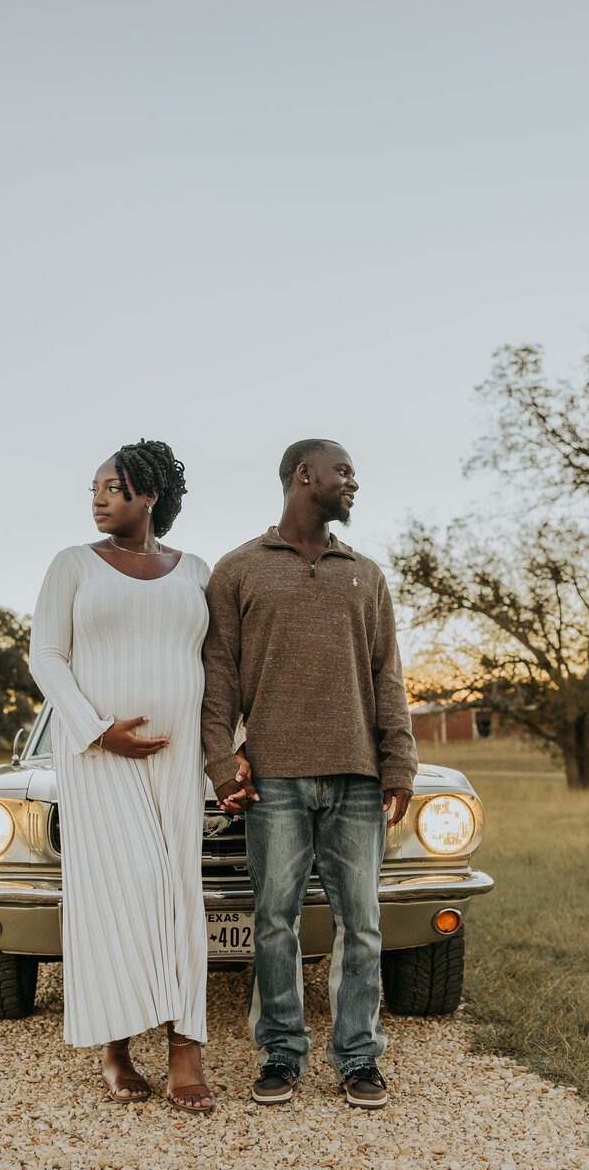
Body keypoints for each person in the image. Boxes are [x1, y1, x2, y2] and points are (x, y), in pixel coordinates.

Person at [201, 438, 417, 1109]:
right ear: (304, 475)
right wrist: (218, 762)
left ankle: (358, 1058)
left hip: (356, 776)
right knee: (275, 920)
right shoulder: (239, 571)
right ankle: (281, 1053)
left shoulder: (366, 573)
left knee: (363, 922)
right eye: (344, 472)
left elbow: (388, 674)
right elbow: (219, 681)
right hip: (276, 780)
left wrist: (399, 760)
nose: (354, 483)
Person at [29, 439, 213, 1115]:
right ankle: (115, 1048)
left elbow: (218, 667)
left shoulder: (195, 570)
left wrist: (233, 749)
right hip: (99, 758)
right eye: (95, 490)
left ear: (150, 492)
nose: (100, 498)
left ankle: (186, 1049)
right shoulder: (74, 565)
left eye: (112, 486)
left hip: (178, 758)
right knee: (117, 896)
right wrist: (97, 729)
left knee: (178, 896)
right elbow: (47, 655)